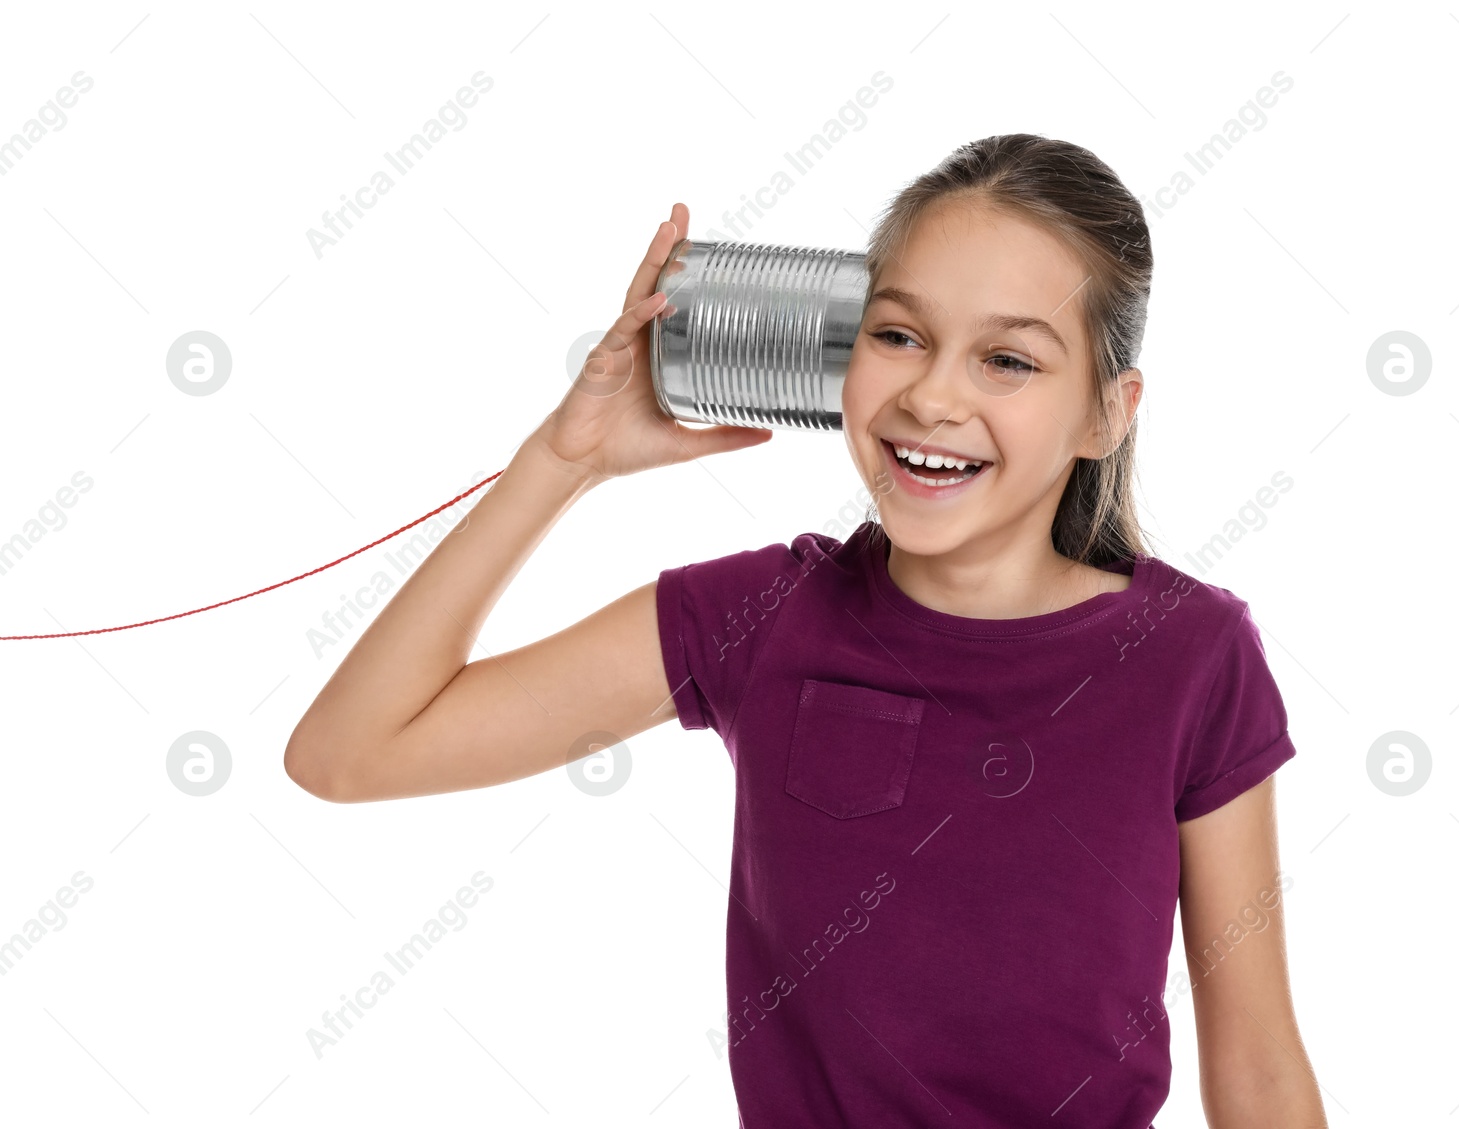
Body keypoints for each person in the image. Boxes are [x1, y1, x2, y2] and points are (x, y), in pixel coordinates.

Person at [285, 133, 1326, 1128]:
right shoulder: (756, 618)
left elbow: (1259, 1067)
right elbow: (348, 751)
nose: (931, 393)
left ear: (1106, 413)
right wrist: (564, 462)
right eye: (897, 334)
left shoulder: (1194, 658)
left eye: (1007, 360)